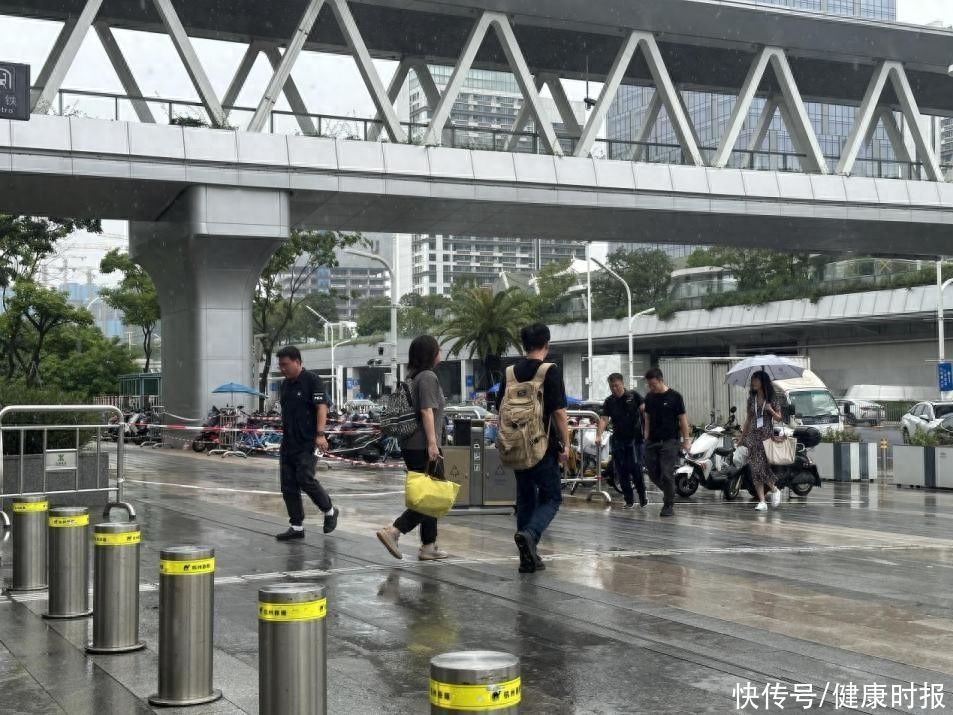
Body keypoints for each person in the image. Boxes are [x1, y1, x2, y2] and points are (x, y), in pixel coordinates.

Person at [496, 323, 570, 573]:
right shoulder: (550, 370)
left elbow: (499, 409)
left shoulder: (509, 373)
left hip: (515, 445)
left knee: (525, 498)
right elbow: (559, 412)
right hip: (543, 445)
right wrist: (566, 444)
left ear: (523, 345)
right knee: (552, 497)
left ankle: (528, 558)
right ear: (547, 344)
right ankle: (530, 534)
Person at [376, 335, 449, 561]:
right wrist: (432, 444)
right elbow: (427, 411)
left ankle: (429, 546)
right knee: (432, 497)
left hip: (411, 444)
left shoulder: (412, 377)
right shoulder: (427, 377)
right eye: (438, 350)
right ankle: (395, 531)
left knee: (428, 493)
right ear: (431, 354)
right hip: (424, 445)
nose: (440, 353)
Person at [274, 345, 339, 540]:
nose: (283, 369)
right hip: (289, 443)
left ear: (297, 362)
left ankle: (329, 511)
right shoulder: (284, 385)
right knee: (288, 485)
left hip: (308, 442)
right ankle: (296, 526)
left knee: (305, 478)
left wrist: (320, 434)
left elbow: (321, 407)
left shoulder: (312, 380)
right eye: (280, 366)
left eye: (285, 365)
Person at [642, 367, 690, 518]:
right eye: (649, 385)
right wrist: (646, 434)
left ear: (661, 380)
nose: (651, 387)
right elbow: (647, 417)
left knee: (666, 473)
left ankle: (668, 504)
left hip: (670, 441)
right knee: (653, 473)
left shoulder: (675, 397)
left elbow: (682, 420)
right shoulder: (649, 397)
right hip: (652, 441)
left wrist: (686, 440)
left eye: (653, 384)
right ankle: (670, 492)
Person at [596, 373, 647, 509]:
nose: (614, 389)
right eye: (612, 386)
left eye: (617, 385)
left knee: (635, 469)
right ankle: (629, 500)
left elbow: (645, 412)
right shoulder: (609, 401)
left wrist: (647, 430)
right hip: (618, 440)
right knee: (621, 471)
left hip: (634, 440)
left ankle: (642, 497)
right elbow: (604, 419)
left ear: (622, 384)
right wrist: (598, 435)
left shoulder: (633, 396)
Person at [739, 370, 784, 511]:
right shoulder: (751, 399)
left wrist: (770, 410)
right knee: (755, 468)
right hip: (753, 436)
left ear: (763, 382)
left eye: (756, 380)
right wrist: (742, 437)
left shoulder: (772, 398)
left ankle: (774, 489)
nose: (753, 383)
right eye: (752, 380)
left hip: (766, 435)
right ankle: (763, 501)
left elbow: (779, 418)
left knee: (761, 466)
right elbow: (748, 420)